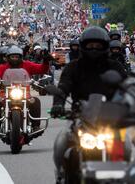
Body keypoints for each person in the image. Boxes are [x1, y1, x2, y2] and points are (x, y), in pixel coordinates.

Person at [51, 27, 127, 180]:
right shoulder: (73, 67)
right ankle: (63, 174)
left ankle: (122, 177)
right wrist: (58, 104)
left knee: (127, 147)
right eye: (90, 46)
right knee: (62, 140)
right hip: (80, 118)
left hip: (110, 120)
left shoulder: (115, 67)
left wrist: (131, 106)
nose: (94, 49)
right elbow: (63, 87)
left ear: (105, 47)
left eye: (98, 46)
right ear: (82, 46)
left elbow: (127, 88)